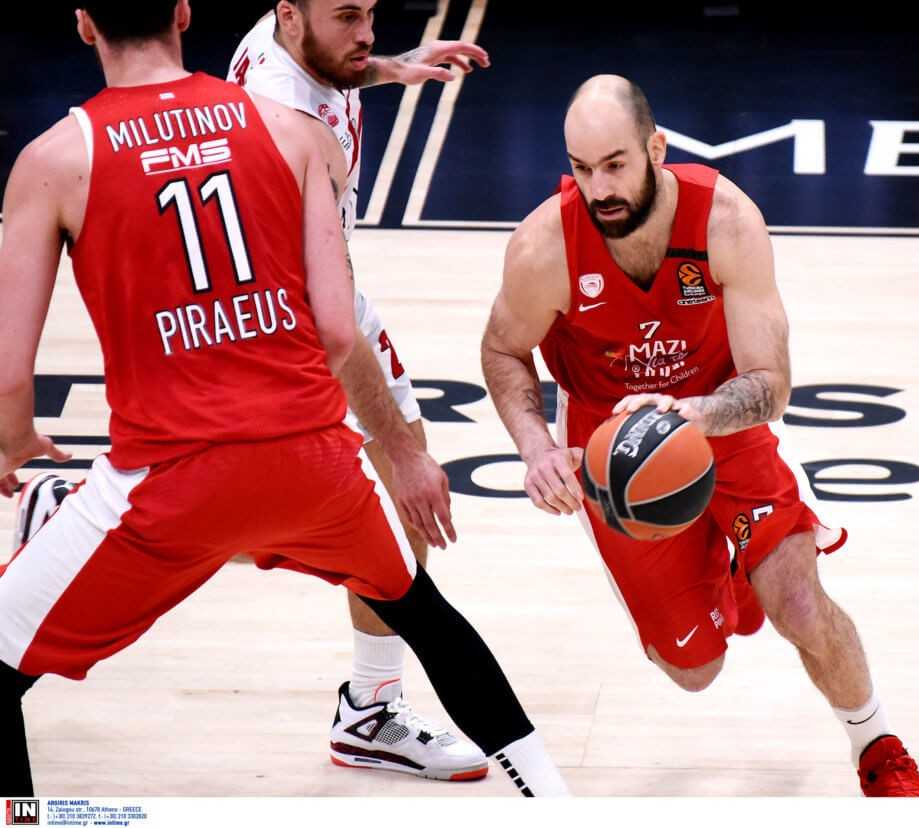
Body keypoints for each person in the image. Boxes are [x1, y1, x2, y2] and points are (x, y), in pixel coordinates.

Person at [0, 0, 567, 797]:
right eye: (349, 17)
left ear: (86, 24)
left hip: (193, 436)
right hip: (301, 380)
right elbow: (330, 326)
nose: (365, 32)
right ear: (184, 15)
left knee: (299, 510)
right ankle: (542, 793)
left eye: (370, 14)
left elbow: (9, 377)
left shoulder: (58, 156)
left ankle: (365, 707)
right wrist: (349, 427)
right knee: (409, 579)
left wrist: (15, 444)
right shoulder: (284, 123)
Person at [480, 74, 919, 796]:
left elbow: (770, 383)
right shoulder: (544, 247)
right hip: (614, 450)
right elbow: (503, 348)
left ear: (656, 149)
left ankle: (878, 749)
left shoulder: (726, 221)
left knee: (798, 604)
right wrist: (536, 449)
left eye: (616, 164)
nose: (600, 189)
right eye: (583, 169)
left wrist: (694, 416)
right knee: (694, 669)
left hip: (722, 415)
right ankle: (733, 572)